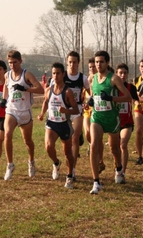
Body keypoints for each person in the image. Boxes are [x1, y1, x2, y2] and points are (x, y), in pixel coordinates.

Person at [87, 50, 131, 194]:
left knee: (114, 149)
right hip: (97, 117)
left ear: (107, 63)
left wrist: (111, 99)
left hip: (112, 119)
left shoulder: (114, 79)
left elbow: (127, 97)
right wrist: (91, 100)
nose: (98, 64)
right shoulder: (91, 78)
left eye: (101, 62)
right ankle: (96, 182)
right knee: (94, 145)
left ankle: (119, 169)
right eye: (96, 62)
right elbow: (93, 95)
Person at [1, 50, 44, 180]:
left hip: (25, 112)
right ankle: (10, 165)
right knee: (7, 135)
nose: (12, 65)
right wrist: (4, 99)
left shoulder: (27, 75)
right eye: (10, 63)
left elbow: (40, 89)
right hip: (11, 110)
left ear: (20, 61)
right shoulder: (7, 75)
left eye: (15, 62)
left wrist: (25, 88)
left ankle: (31, 161)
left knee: (28, 141)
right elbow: (5, 86)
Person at [38, 62, 79, 189]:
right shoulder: (48, 90)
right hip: (51, 122)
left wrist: (66, 111)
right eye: (54, 73)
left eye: (58, 73)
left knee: (67, 152)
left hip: (64, 124)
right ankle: (56, 163)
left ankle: (69, 175)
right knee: (49, 146)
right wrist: (41, 114)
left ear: (63, 74)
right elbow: (45, 102)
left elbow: (76, 110)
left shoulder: (68, 92)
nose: (55, 76)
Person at [62, 51, 90, 181]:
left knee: (74, 138)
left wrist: (87, 102)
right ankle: (62, 163)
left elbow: (91, 93)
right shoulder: (62, 76)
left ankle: (72, 170)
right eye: (70, 62)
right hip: (63, 111)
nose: (72, 65)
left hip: (77, 110)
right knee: (65, 142)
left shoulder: (83, 78)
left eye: (74, 62)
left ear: (78, 63)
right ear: (67, 63)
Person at [116, 63, 139, 182]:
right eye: (120, 73)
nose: (123, 75)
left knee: (123, 144)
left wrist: (136, 103)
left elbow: (135, 99)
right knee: (114, 148)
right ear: (116, 74)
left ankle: (122, 173)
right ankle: (118, 168)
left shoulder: (131, 87)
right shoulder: (113, 88)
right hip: (114, 123)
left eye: (125, 73)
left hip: (127, 123)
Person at [133, 58, 143, 164]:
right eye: (141, 66)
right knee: (138, 131)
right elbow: (133, 96)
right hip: (138, 108)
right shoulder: (136, 80)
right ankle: (139, 156)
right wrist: (136, 103)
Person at [83, 57, 97, 155]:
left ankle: (95, 148)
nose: (92, 69)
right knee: (87, 132)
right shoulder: (86, 79)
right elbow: (83, 94)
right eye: (90, 67)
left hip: (97, 110)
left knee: (95, 133)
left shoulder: (99, 79)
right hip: (87, 110)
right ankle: (90, 143)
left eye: (93, 67)